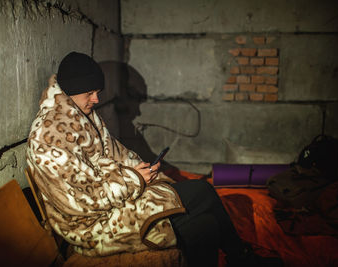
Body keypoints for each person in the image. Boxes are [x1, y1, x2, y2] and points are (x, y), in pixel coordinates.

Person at [26, 52, 283, 266]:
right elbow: (80, 202)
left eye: (97, 92)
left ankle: (241, 258)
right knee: (204, 213)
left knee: (205, 211)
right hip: (92, 226)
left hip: (116, 200)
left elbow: (117, 153)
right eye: (91, 93)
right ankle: (242, 258)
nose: (97, 99)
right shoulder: (48, 136)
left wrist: (143, 169)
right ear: (73, 89)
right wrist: (134, 179)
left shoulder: (82, 114)